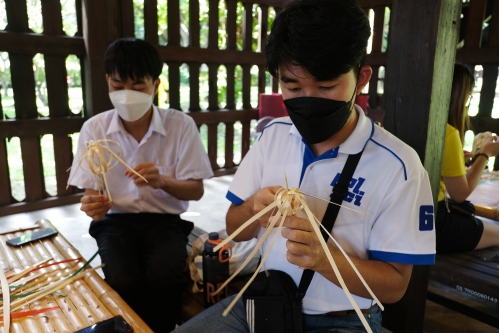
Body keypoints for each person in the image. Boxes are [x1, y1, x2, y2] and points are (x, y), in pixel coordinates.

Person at [174, 0, 435, 332]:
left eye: (326, 87)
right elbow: (234, 226)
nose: (308, 99)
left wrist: (326, 259)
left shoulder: (399, 167)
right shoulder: (273, 137)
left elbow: (396, 286)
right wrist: (254, 208)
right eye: (293, 87)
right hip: (264, 302)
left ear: (362, 79)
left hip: (344, 320)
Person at [68, 38, 214, 332]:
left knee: (164, 274)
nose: (126, 95)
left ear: (156, 85)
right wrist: (94, 206)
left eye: (138, 86)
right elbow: (91, 195)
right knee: (122, 277)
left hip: (164, 220)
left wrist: (162, 180)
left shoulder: (180, 126)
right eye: (118, 85)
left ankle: (159, 328)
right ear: (107, 81)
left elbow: (196, 190)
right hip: (115, 221)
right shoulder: (94, 129)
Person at [435, 63, 499, 254]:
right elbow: (460, 194)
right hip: (434, 223)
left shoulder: (420, 123)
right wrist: (484, 154)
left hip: (408, 216)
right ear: (460, 95)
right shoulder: (448, 133)